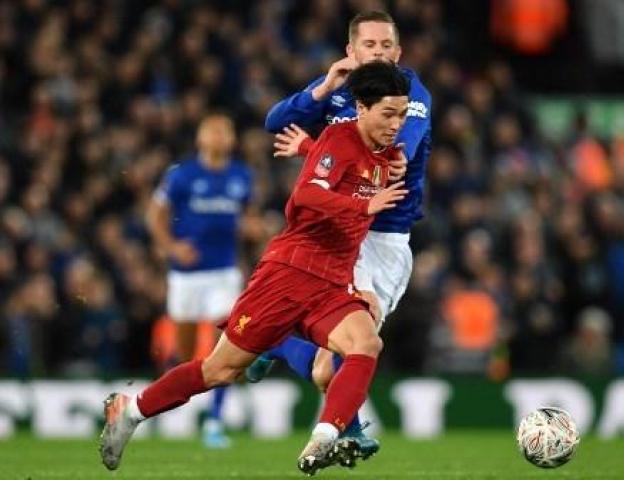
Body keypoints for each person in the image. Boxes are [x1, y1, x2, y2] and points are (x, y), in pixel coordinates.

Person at [99, 61, 411, 476]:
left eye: (402, 114)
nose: (396, 123)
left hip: (334, 280)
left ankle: (324, 437)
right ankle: (131, 411)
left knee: (366, 344)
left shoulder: (386, 156)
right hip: (289, 273)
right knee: (219, 369)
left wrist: (307, 150)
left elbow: (336, 169)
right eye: (387, 113)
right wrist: (361, 204)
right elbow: (306, 196)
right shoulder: (340, 136)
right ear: (361, 108)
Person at [248, 10, 432, 464]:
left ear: (398, 52)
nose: (379, 53)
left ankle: (281, 343)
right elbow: (275, 120)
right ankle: (343, 432)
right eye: (369, 46)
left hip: (386, 235)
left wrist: (314, 148)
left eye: (386, 45)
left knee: (332, 357)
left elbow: (396, 144)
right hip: (339, 232)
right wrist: (326, 86)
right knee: (352, 344)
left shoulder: (411, 93)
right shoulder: (339, 89)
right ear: (351, 51)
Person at [146, 113, 253, 448]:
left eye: (226, 131)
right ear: (201, 138)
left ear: (232, 139)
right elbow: (155, 215)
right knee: (186, 353)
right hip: (186, 275)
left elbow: (246, 218)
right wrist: (171, 247)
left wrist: (254, 229)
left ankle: (214, 422)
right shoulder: (182, 175)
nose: (220, 137)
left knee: (228, 348)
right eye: (213, 131)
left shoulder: (242, 176)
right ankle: (163, 402)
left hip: (223, 272)